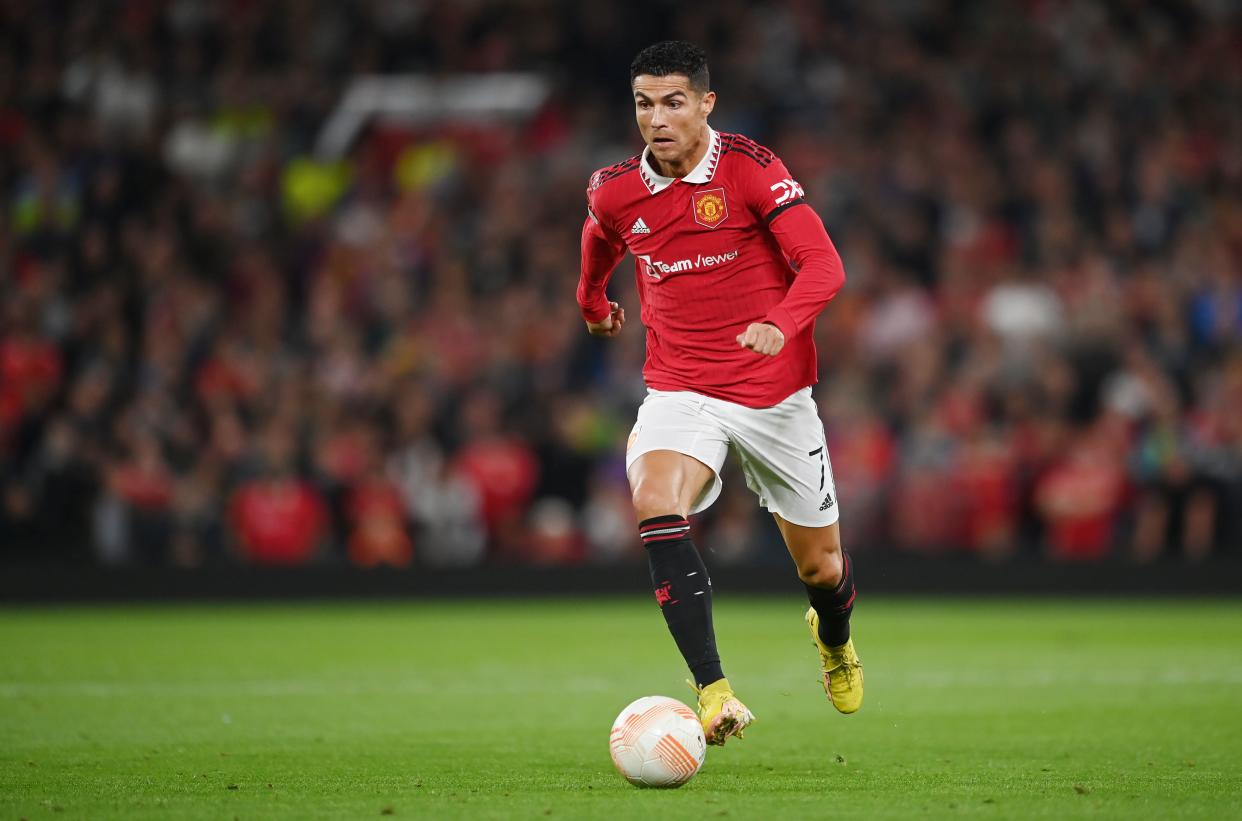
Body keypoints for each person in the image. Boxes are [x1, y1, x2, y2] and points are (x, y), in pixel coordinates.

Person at [576, 40, 861, 746]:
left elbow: (824, 265)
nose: (657, 117)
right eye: (645, 103)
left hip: (774, 394)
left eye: (674, 101)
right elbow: (601, 238)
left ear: (706, 103)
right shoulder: (614, 188)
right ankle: (713, 691)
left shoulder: (751, 169)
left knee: (822, 569)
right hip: (680, 387)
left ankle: (832, 638)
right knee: (653, 499)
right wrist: (589, 299)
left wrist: (781, 322)